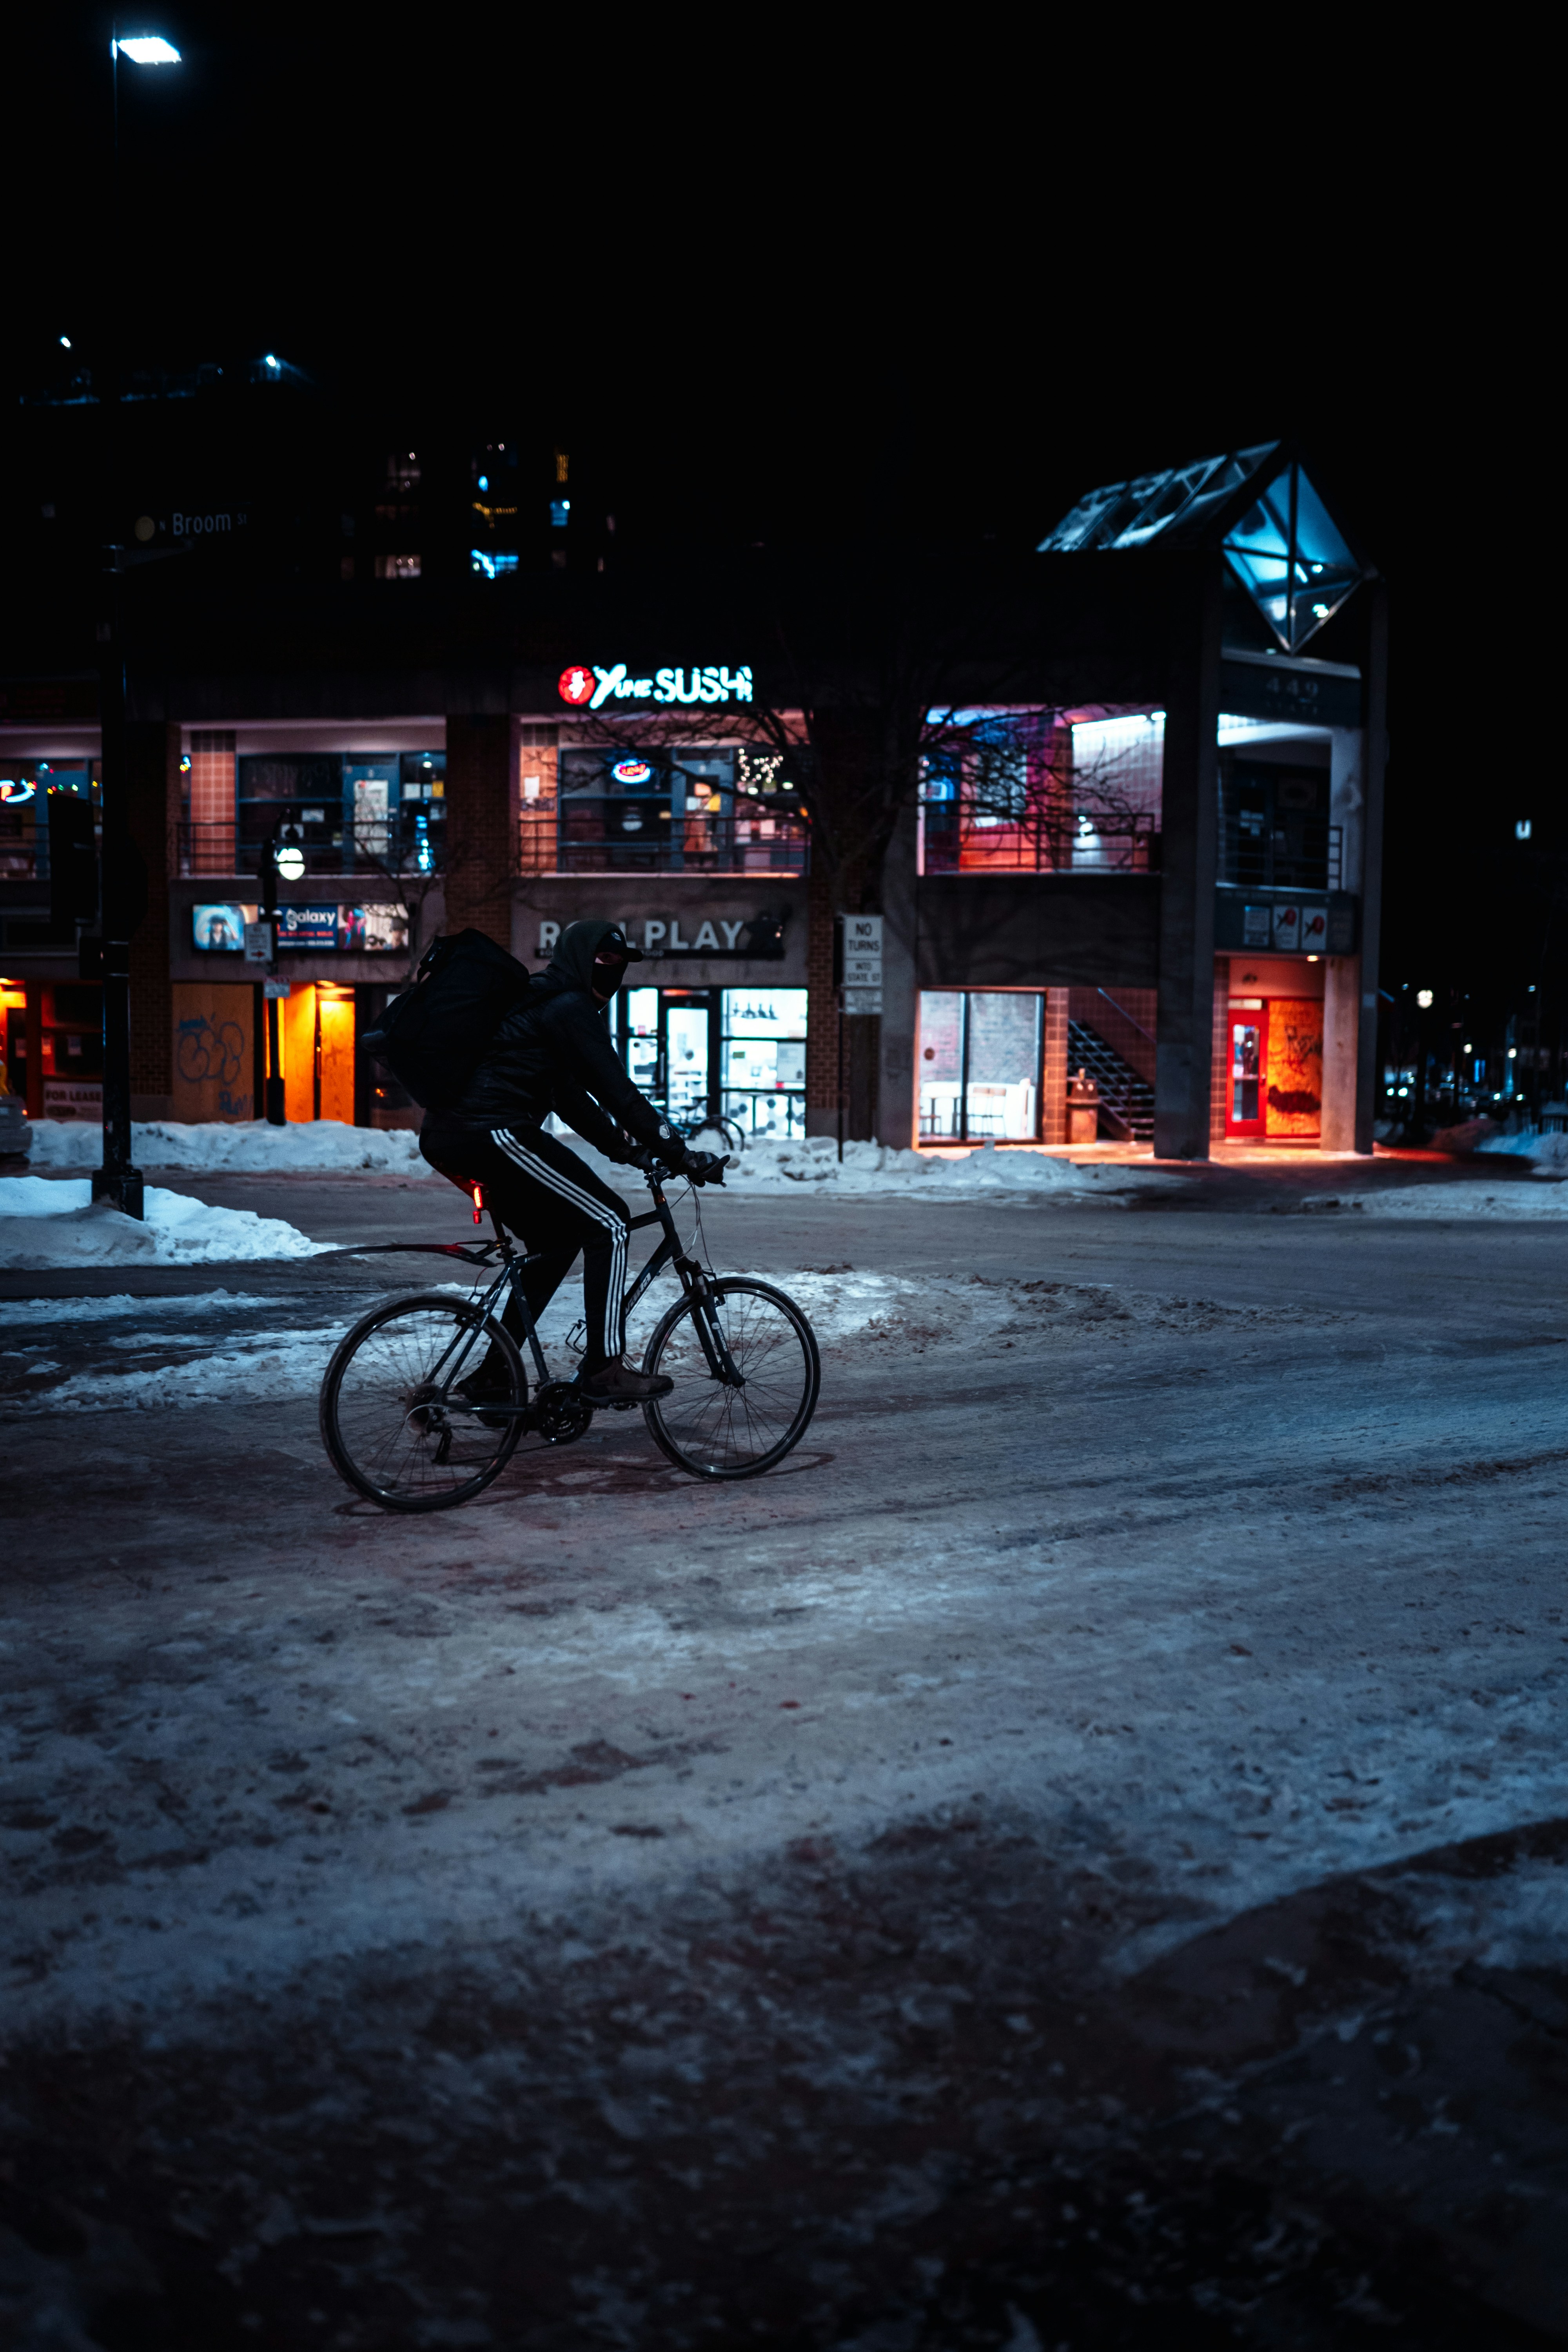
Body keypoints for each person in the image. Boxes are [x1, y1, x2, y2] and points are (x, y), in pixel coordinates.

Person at [419, 919, 723, 1405]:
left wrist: (629, 1151)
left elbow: (569, 1098)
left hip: (453, 1136)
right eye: (604, 962)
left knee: (557, 1242)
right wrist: (680, 1152)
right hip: (490, 1131)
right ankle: (604, 1368)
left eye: (620, 966)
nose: (612, 973)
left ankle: (494, 1377)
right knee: (611, 1222)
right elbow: (619, 1093)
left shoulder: (543, 1001)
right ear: (580, 959)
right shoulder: (567, 1005)